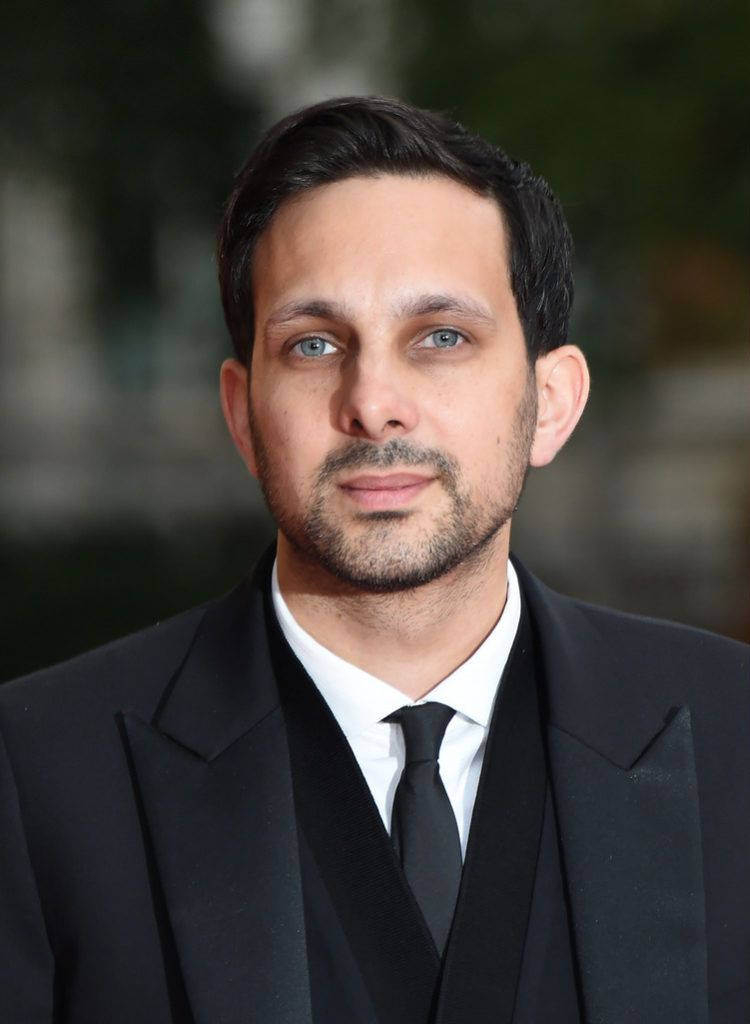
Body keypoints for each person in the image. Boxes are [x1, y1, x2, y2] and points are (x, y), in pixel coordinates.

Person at [0, 96, 747, 1024]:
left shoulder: (737, 738)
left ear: (550, 402)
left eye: (441, 337)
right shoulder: (34, 777)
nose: (374, 402)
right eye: (314, 344)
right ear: (242, 414)